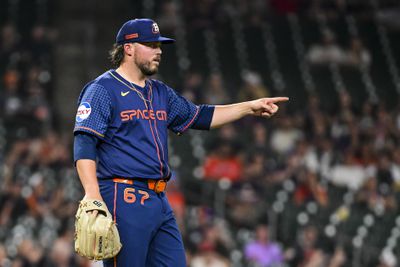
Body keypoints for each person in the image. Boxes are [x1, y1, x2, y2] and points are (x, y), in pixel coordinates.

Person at [73, 18, 288, 267]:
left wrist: (248, 108)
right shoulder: (102, 89)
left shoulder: (160, 92)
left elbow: (200, 115)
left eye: (159, 45)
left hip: (160, 199)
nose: (159, 50)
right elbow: (84, 143)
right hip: (123, 196)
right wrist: (92, 195)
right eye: (151, 44)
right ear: (128, 48)